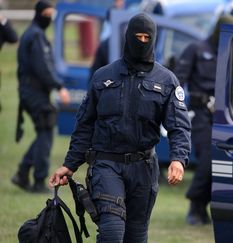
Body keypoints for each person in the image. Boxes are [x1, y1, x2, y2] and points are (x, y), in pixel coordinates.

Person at [49, 12, 191, 242]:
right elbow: (85, 125)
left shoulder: (166, 81)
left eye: (147, 37)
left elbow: (179, 126)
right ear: (128, 37)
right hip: (107, 165)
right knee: (112, 232)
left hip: (143, 170)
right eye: (138, 36)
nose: (142, 42)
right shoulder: (102, 77)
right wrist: (70, 164)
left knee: (135, 236)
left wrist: (178, 158)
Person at [175, 14, 233, 225]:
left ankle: (204, 206)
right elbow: (177, 81)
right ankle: (195, 205)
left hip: (222, 114)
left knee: (222, 160)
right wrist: (177, 109)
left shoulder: (231, 53)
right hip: (198, 113)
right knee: (208, 159)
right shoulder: (196, 49)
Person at [11, 0, 71, 193]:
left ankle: (22, 171)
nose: (49, 18)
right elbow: (43, 67)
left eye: (50, 14)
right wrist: (59, 86)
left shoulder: (32, 33)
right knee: (45, 132)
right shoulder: (36, 36)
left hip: (31, 92)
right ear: (38, 14)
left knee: (43, 132)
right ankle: (38, 181)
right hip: (35, 93)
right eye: (46, 14)